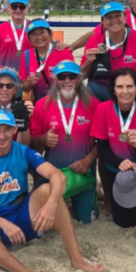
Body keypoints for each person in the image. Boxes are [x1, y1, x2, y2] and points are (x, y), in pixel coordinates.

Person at [0, 109, 106, 272]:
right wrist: (4, 224)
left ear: (15, 129)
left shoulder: (23, 151)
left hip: (22, 213)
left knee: (48, 190)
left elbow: (58, 176)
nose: (2, 135)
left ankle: (77, 259)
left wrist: (50, 205)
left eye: (7, 129)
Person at [90, 68, 136, 236]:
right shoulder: (103, 109)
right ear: (113, 90)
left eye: (129, 86)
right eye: (120, 87)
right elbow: (101, 147)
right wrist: (119, 162)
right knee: (123, 222)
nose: (125, 91)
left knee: (132, 177)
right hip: (116, 164)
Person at [30, 61, 101, 224]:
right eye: (62, 77)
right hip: (53, 174)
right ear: (56, 80)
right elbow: (33, 145)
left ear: (79, 79)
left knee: (87, 220)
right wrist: (43, 139)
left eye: (72, 76)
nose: (67, 81)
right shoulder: (42, 105)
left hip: (82, 173)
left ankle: (94, 190)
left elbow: (103, 142)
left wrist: (87, 161)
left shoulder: (93, 104)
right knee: (42, 221)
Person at [80, 1, 136, 102]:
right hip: (98, 95)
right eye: (109, 17)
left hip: (128, 95)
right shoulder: (94, 40)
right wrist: (88, 62)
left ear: (125, 18)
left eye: (118, 16)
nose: (114, 20)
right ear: (103, 22)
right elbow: (81, 76)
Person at [19, 19, 73, 102]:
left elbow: (74, 81)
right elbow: (24, 87)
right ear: (29, 39)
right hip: (38, 105)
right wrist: (29, 83)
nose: (39, 37)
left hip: (61, 103)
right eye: (34, 34)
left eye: (42, 32)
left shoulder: (63, 52)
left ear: (50, 34)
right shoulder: (26, 55)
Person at [0, 0, 32, 71]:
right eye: (14, 6)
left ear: (27, 8)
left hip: (30, 77)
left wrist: (58, 45)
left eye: (22, 7)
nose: (18, 10)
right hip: (6, 78)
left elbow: (45, 50)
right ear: (8, 8)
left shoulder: (35, 28)